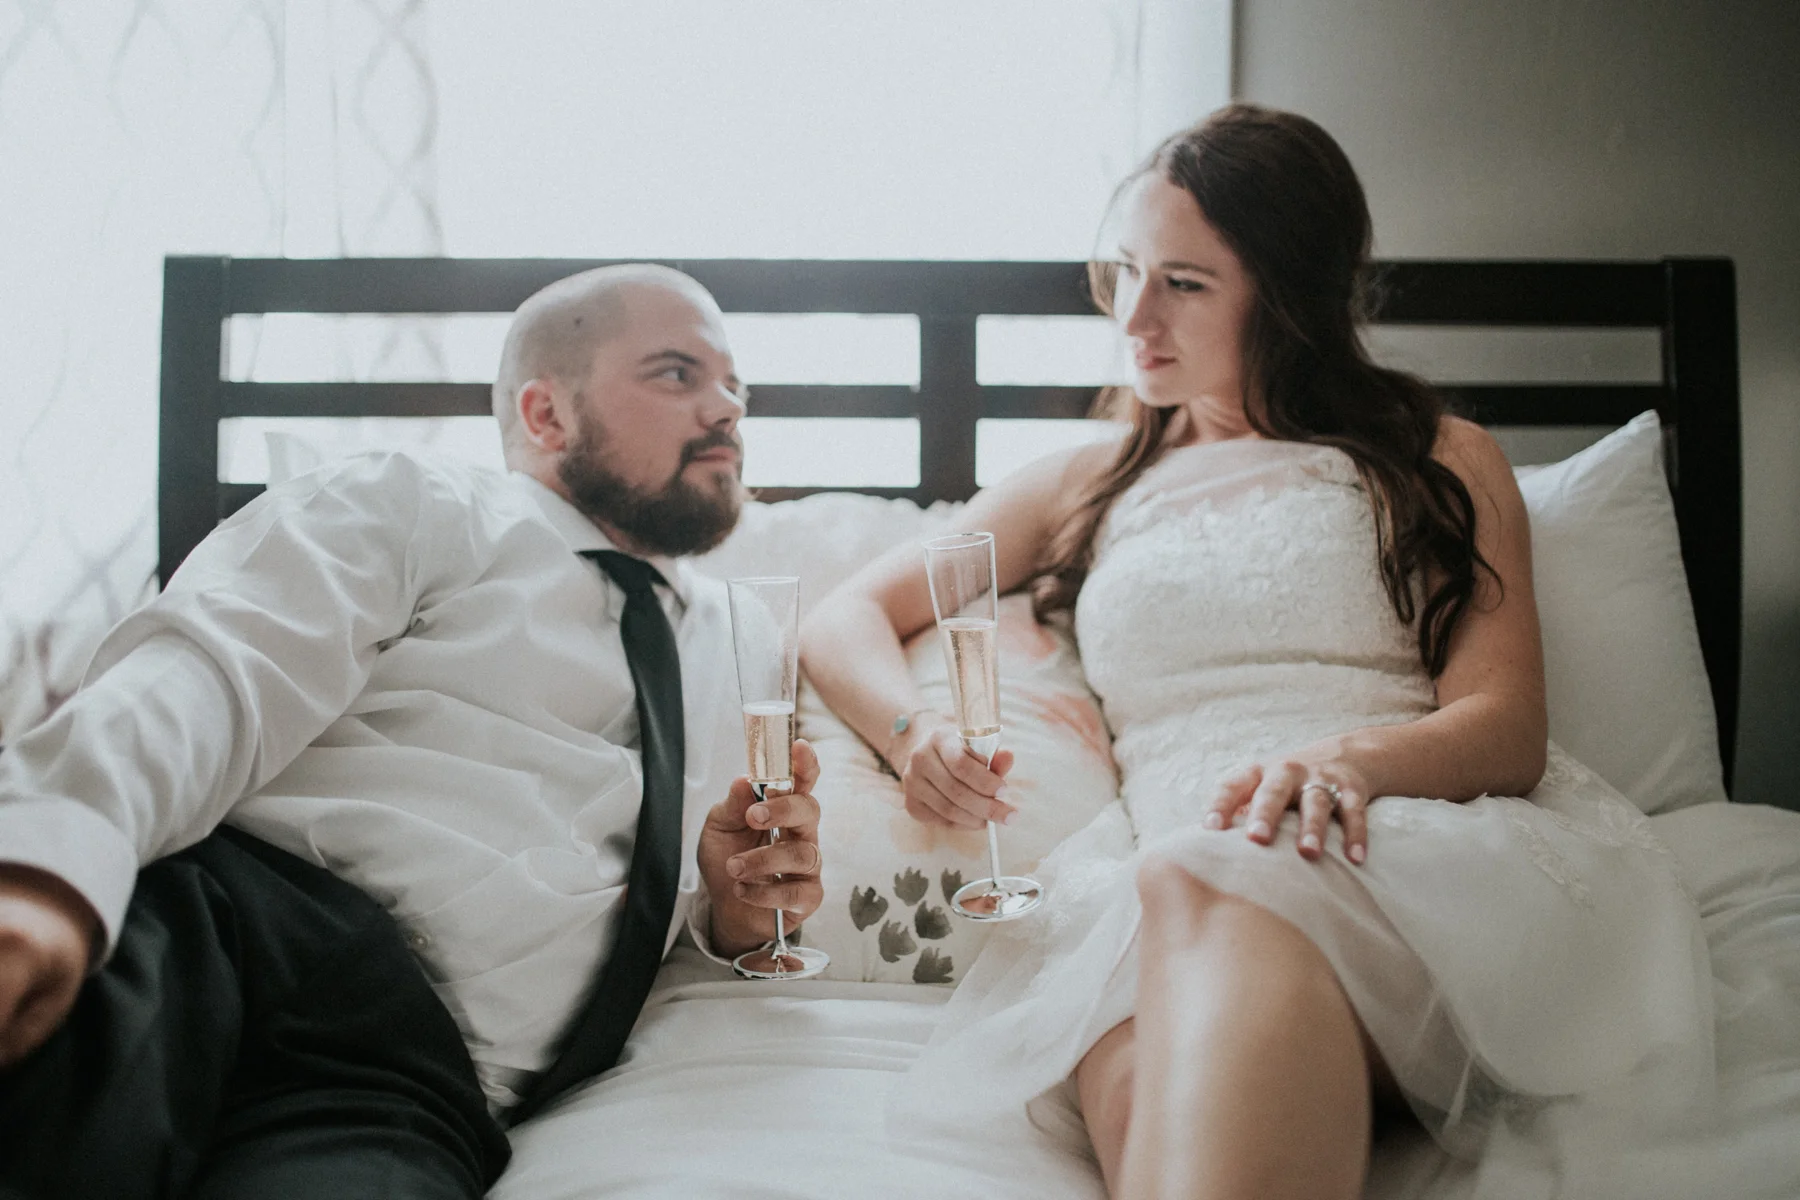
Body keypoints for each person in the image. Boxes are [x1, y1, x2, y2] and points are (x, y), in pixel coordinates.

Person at [802, 106, 1712, 1199]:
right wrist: (914, 734)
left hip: (1383, 835)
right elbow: (843, 616)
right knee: (1148, 1075)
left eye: (1184, 284)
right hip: (1154, 874)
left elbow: (1507, 725)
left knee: (1222, 897)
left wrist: (1346, 761)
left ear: (1288, 296)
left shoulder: (1436, 457)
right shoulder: (1085, 483)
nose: (1135, 316)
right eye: (1125, 271)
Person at [0, 264, 826, 1199]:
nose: (726, 408)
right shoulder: (421, 503)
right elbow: (210, 672)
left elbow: (668, 910)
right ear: (548, 415)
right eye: (678, 373)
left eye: (735, 386)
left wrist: (731, 915)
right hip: (235, 929)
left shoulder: (744, 640)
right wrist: (45, 869)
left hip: (399, 1082)